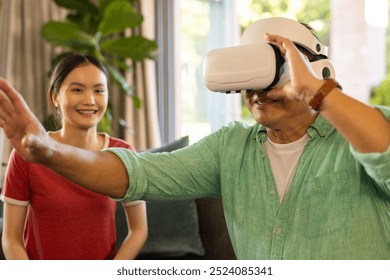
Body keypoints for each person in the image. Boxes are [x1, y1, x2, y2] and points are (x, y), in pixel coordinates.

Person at [0, 18, 389, 260]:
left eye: (273, 71)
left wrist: (316, 92)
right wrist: (48, 151)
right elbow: (137, 174)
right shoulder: (230, 148)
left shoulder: (361, 132)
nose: (257, 89)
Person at [0, 54, 147, 260]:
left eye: (99, 90)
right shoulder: (28, 154)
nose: (89, 100)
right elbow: (11, 239)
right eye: (77, 90)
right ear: (55, 97)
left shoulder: (123, 154)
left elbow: (139, 230)